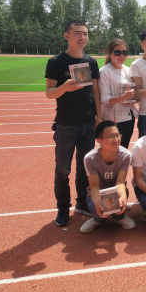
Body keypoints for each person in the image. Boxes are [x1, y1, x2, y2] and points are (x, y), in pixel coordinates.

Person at [45, 19, 102, 226]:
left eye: (85, 33)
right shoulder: (56, 62)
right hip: (66, 124)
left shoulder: (91, 62)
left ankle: (82, 202)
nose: (82, 37)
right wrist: (64, 88)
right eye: (77, 33)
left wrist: (99, 116)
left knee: (84, 167)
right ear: (67, 36)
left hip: (88, 123)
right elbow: (49, 93)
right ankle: (62, 208)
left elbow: (95, 90)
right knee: (63, 169)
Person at [80, 121, 136, 233]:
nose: (116, 139)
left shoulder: (126, 155)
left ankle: (119, 218)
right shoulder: (90, 158)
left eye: (117, 135)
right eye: (110, 136)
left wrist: (123, 196)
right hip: (99, 192)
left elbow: (120, 182)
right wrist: (97, 203)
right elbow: (94, 186)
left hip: (116, 190)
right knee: (97, 208)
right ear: (99, 140)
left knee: (120, 203)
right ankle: (97, 220)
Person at [98, 39, 138, 149]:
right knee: (112, 151)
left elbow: (133, 93)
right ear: (109, 54)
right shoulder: (104, 72)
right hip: (113, 120)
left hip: (129, 118)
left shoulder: (128, 70)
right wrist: (123, 97)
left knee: (124, 150)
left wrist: (134, 99)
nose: (122, 56)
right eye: (117, 52)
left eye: (125, 52)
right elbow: (104, 99)